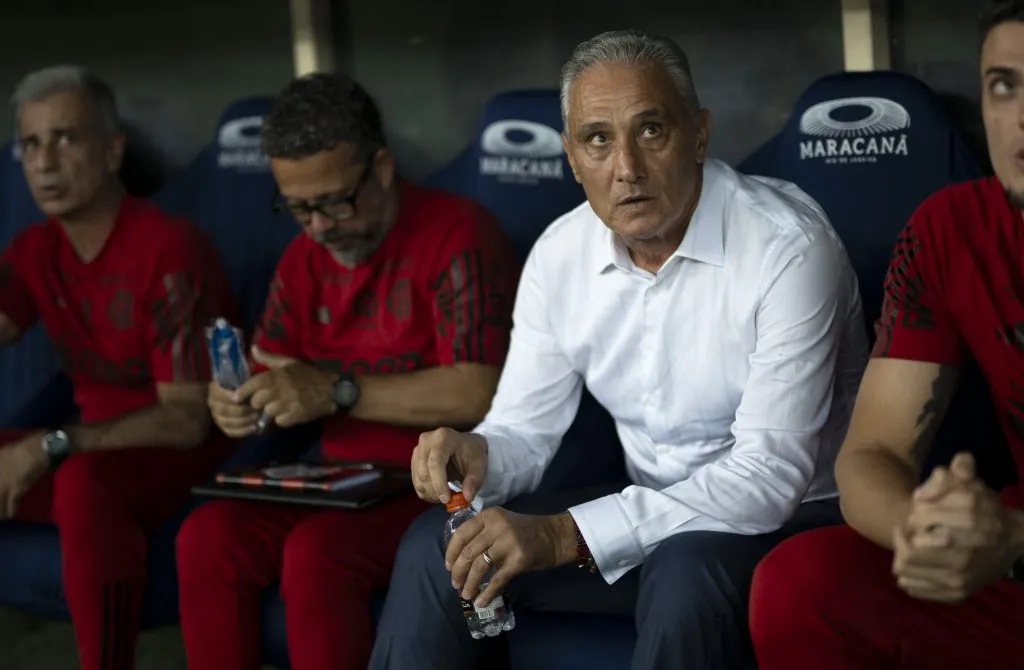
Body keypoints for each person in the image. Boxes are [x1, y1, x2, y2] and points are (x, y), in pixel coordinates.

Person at [369, 29, 868, 670]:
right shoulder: (559, 255)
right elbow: (525, 428)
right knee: (438, 549)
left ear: (699, 135)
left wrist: (561, 534)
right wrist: (478, 455)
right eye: (598, 139)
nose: (626, 168)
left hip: (797, 520)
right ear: (573, 160)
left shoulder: (787, 248)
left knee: (686, 574)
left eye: (651, 130)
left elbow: (767, 477)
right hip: (651, 510)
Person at [174, 73, 519, 670]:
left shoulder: (459, 233)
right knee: (205, 537)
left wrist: (336, 391)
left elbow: (476, 388)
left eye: (334, 201)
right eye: (299, 207)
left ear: (381, 167)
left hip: (441, 482)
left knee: (317, 553)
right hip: (336, 480)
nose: (319, 226)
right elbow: (272, 369)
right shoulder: (305, 256)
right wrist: (241, 399)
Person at [748, 2, 1024, 668]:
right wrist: (924, 533)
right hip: (1009, 552)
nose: (1022, 115)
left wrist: (1013, 536)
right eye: (1005, 85)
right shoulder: (950, 228)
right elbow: (871, 452)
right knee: (799, 586)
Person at [0, 66, 235, 670]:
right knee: (74, 474)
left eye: (66, 138)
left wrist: (54, 445)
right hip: (89, 448)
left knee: (82, 482)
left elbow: (186, 421)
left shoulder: (168, 248)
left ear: (111, 151)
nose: (45, 161)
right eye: (31, 144)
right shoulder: (33, 251)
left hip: (182, 452)